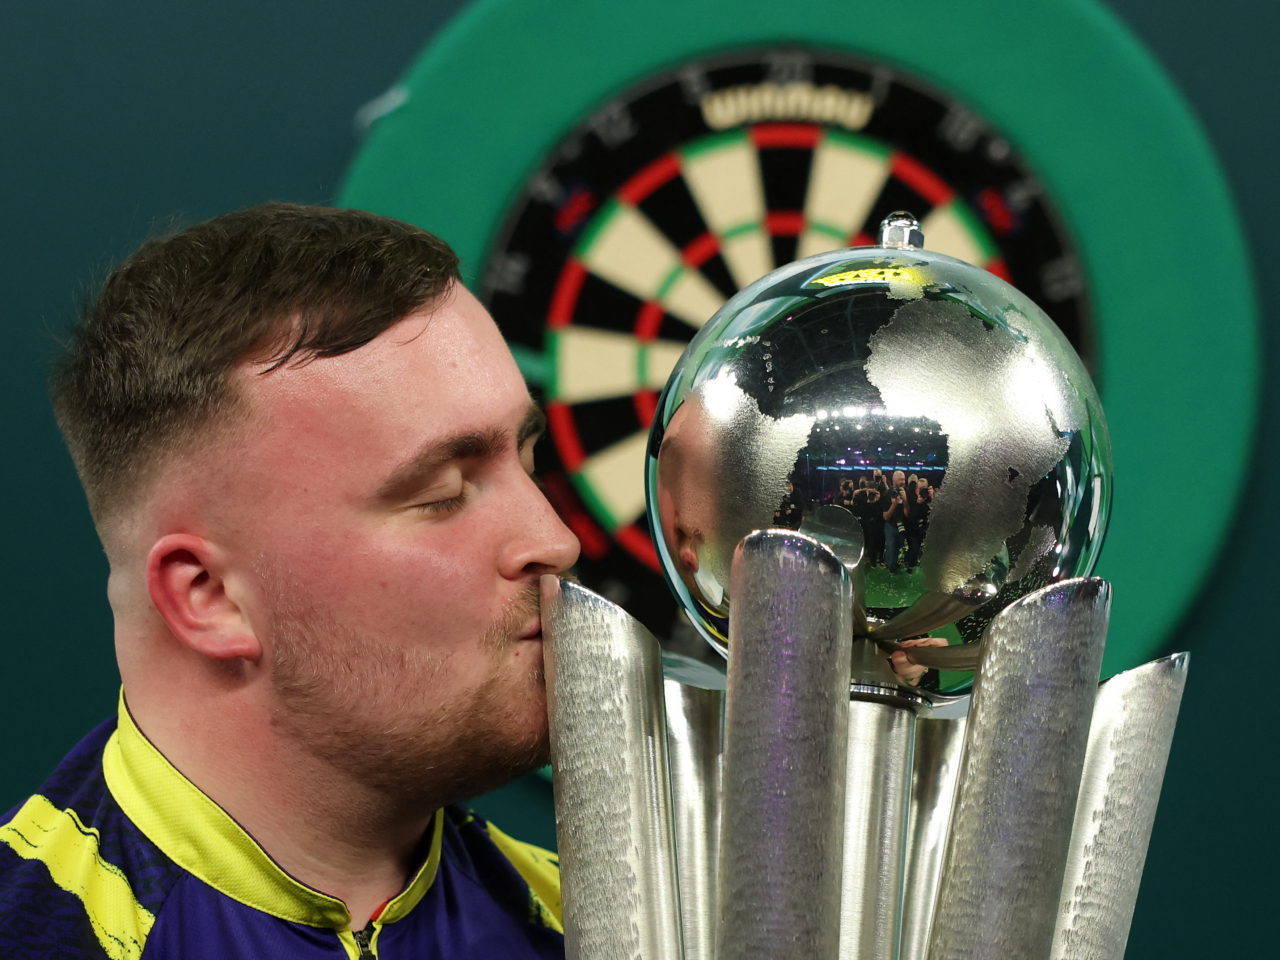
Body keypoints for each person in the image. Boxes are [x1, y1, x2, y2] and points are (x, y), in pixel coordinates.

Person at [0, 204, 581, 958]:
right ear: (209, 597)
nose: (556, 542)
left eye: (529, 464)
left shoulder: (601, 930)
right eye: (443, 493)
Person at [882, 470, 908, 573]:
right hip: (891, 524)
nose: (903, 482)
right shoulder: (887, 494)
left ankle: (894, 561)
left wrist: (905, 500)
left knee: (899, 544)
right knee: (891, 545)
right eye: (900, 480)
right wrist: (895, 504)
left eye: (904, 479)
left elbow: (908, 513)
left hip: (903, 524)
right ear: (894, 481)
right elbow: (886, 517)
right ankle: (890, 566)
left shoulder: (907, 492)